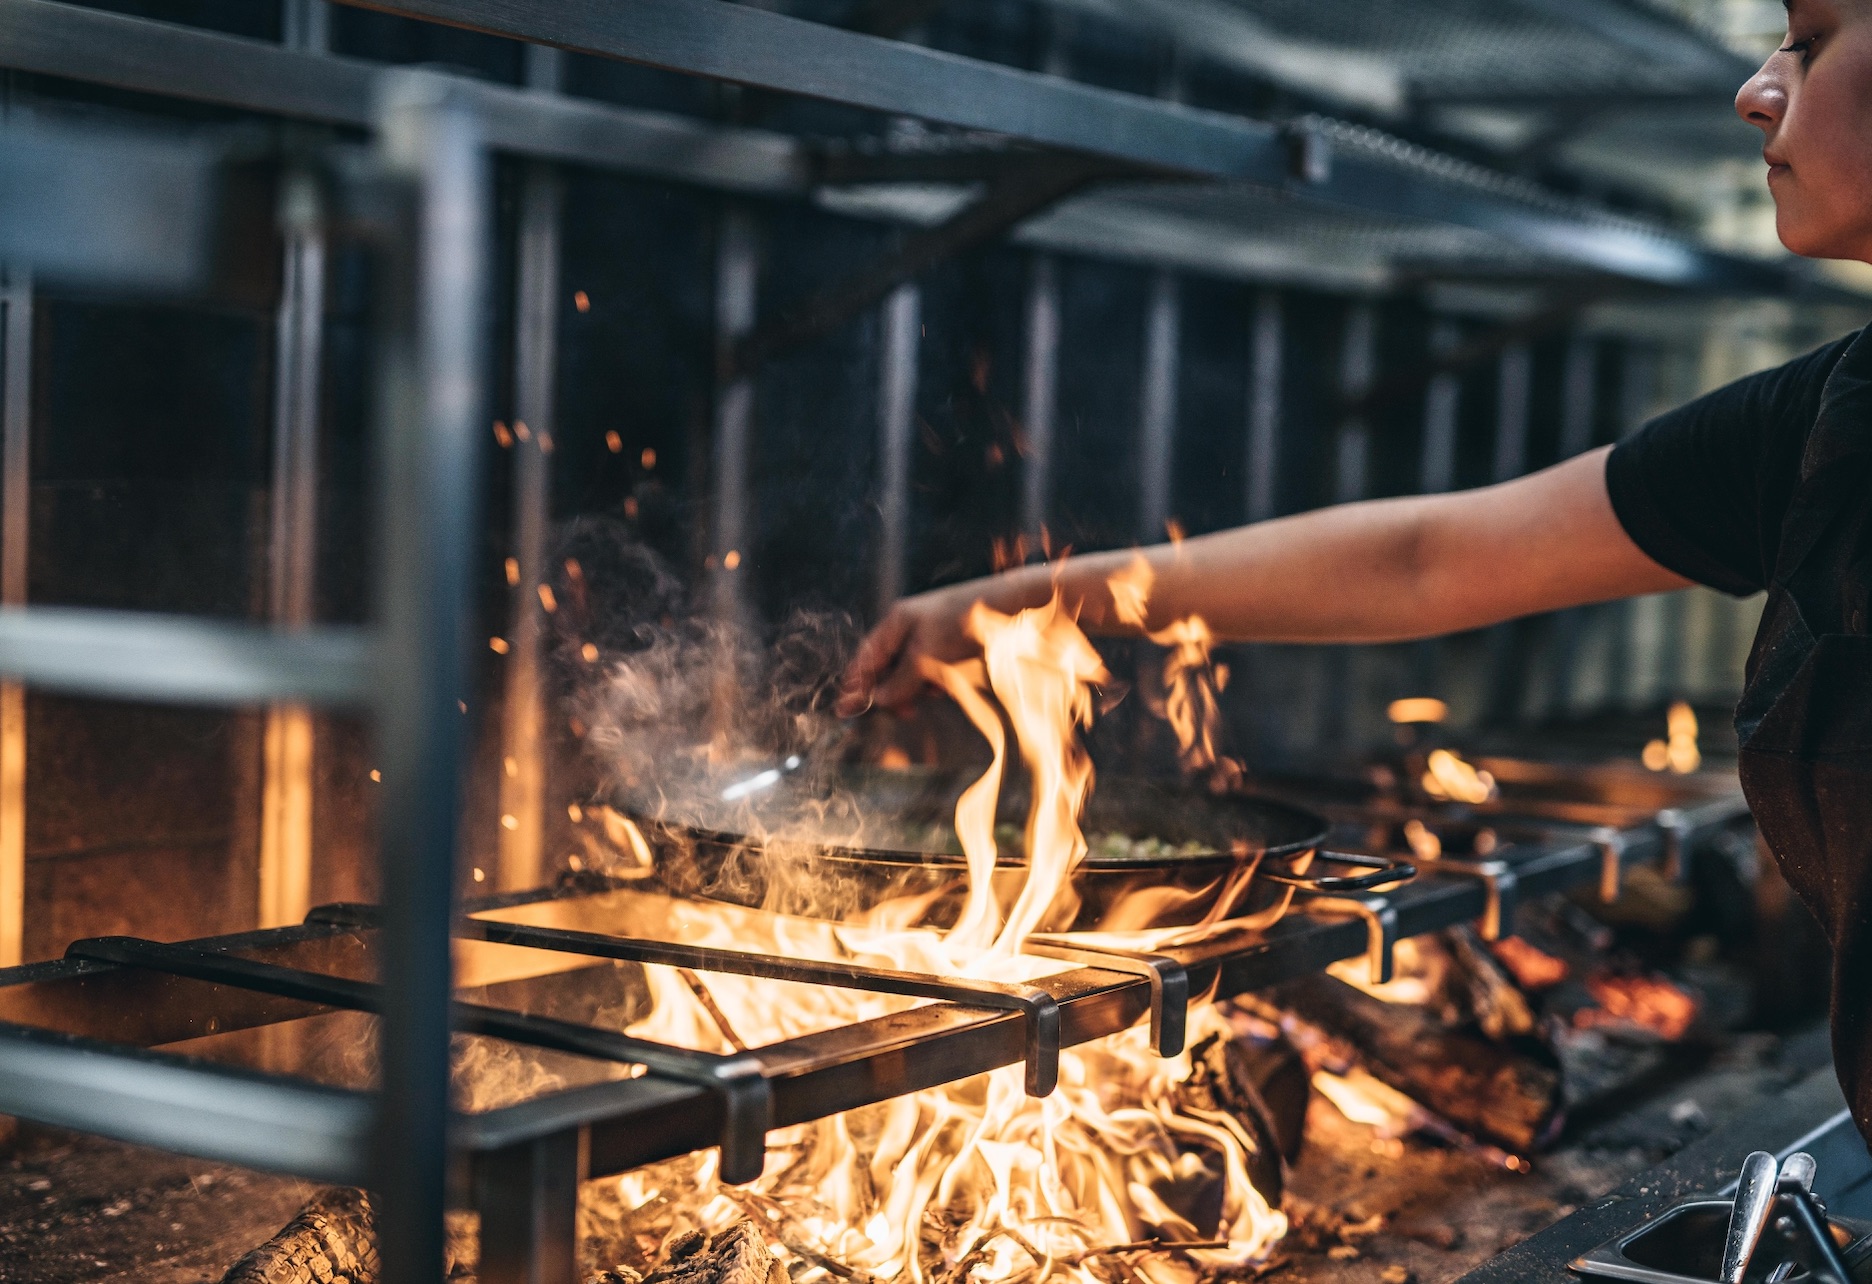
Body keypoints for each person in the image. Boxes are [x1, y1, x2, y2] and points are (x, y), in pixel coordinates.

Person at [838, 0, 1872, 1144]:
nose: (1758, 88)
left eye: (1814, 40)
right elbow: (1427, 559)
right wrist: (1011, 609)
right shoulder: (1823, 422)